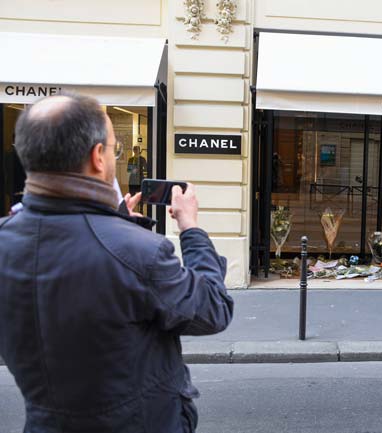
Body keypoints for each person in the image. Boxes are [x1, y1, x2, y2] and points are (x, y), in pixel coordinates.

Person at [0, 94, 234, 433]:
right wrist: (191, 228)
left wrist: (115, 223)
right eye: (114, 147)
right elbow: (213, 309)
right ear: (98, 157)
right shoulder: (140, 252)